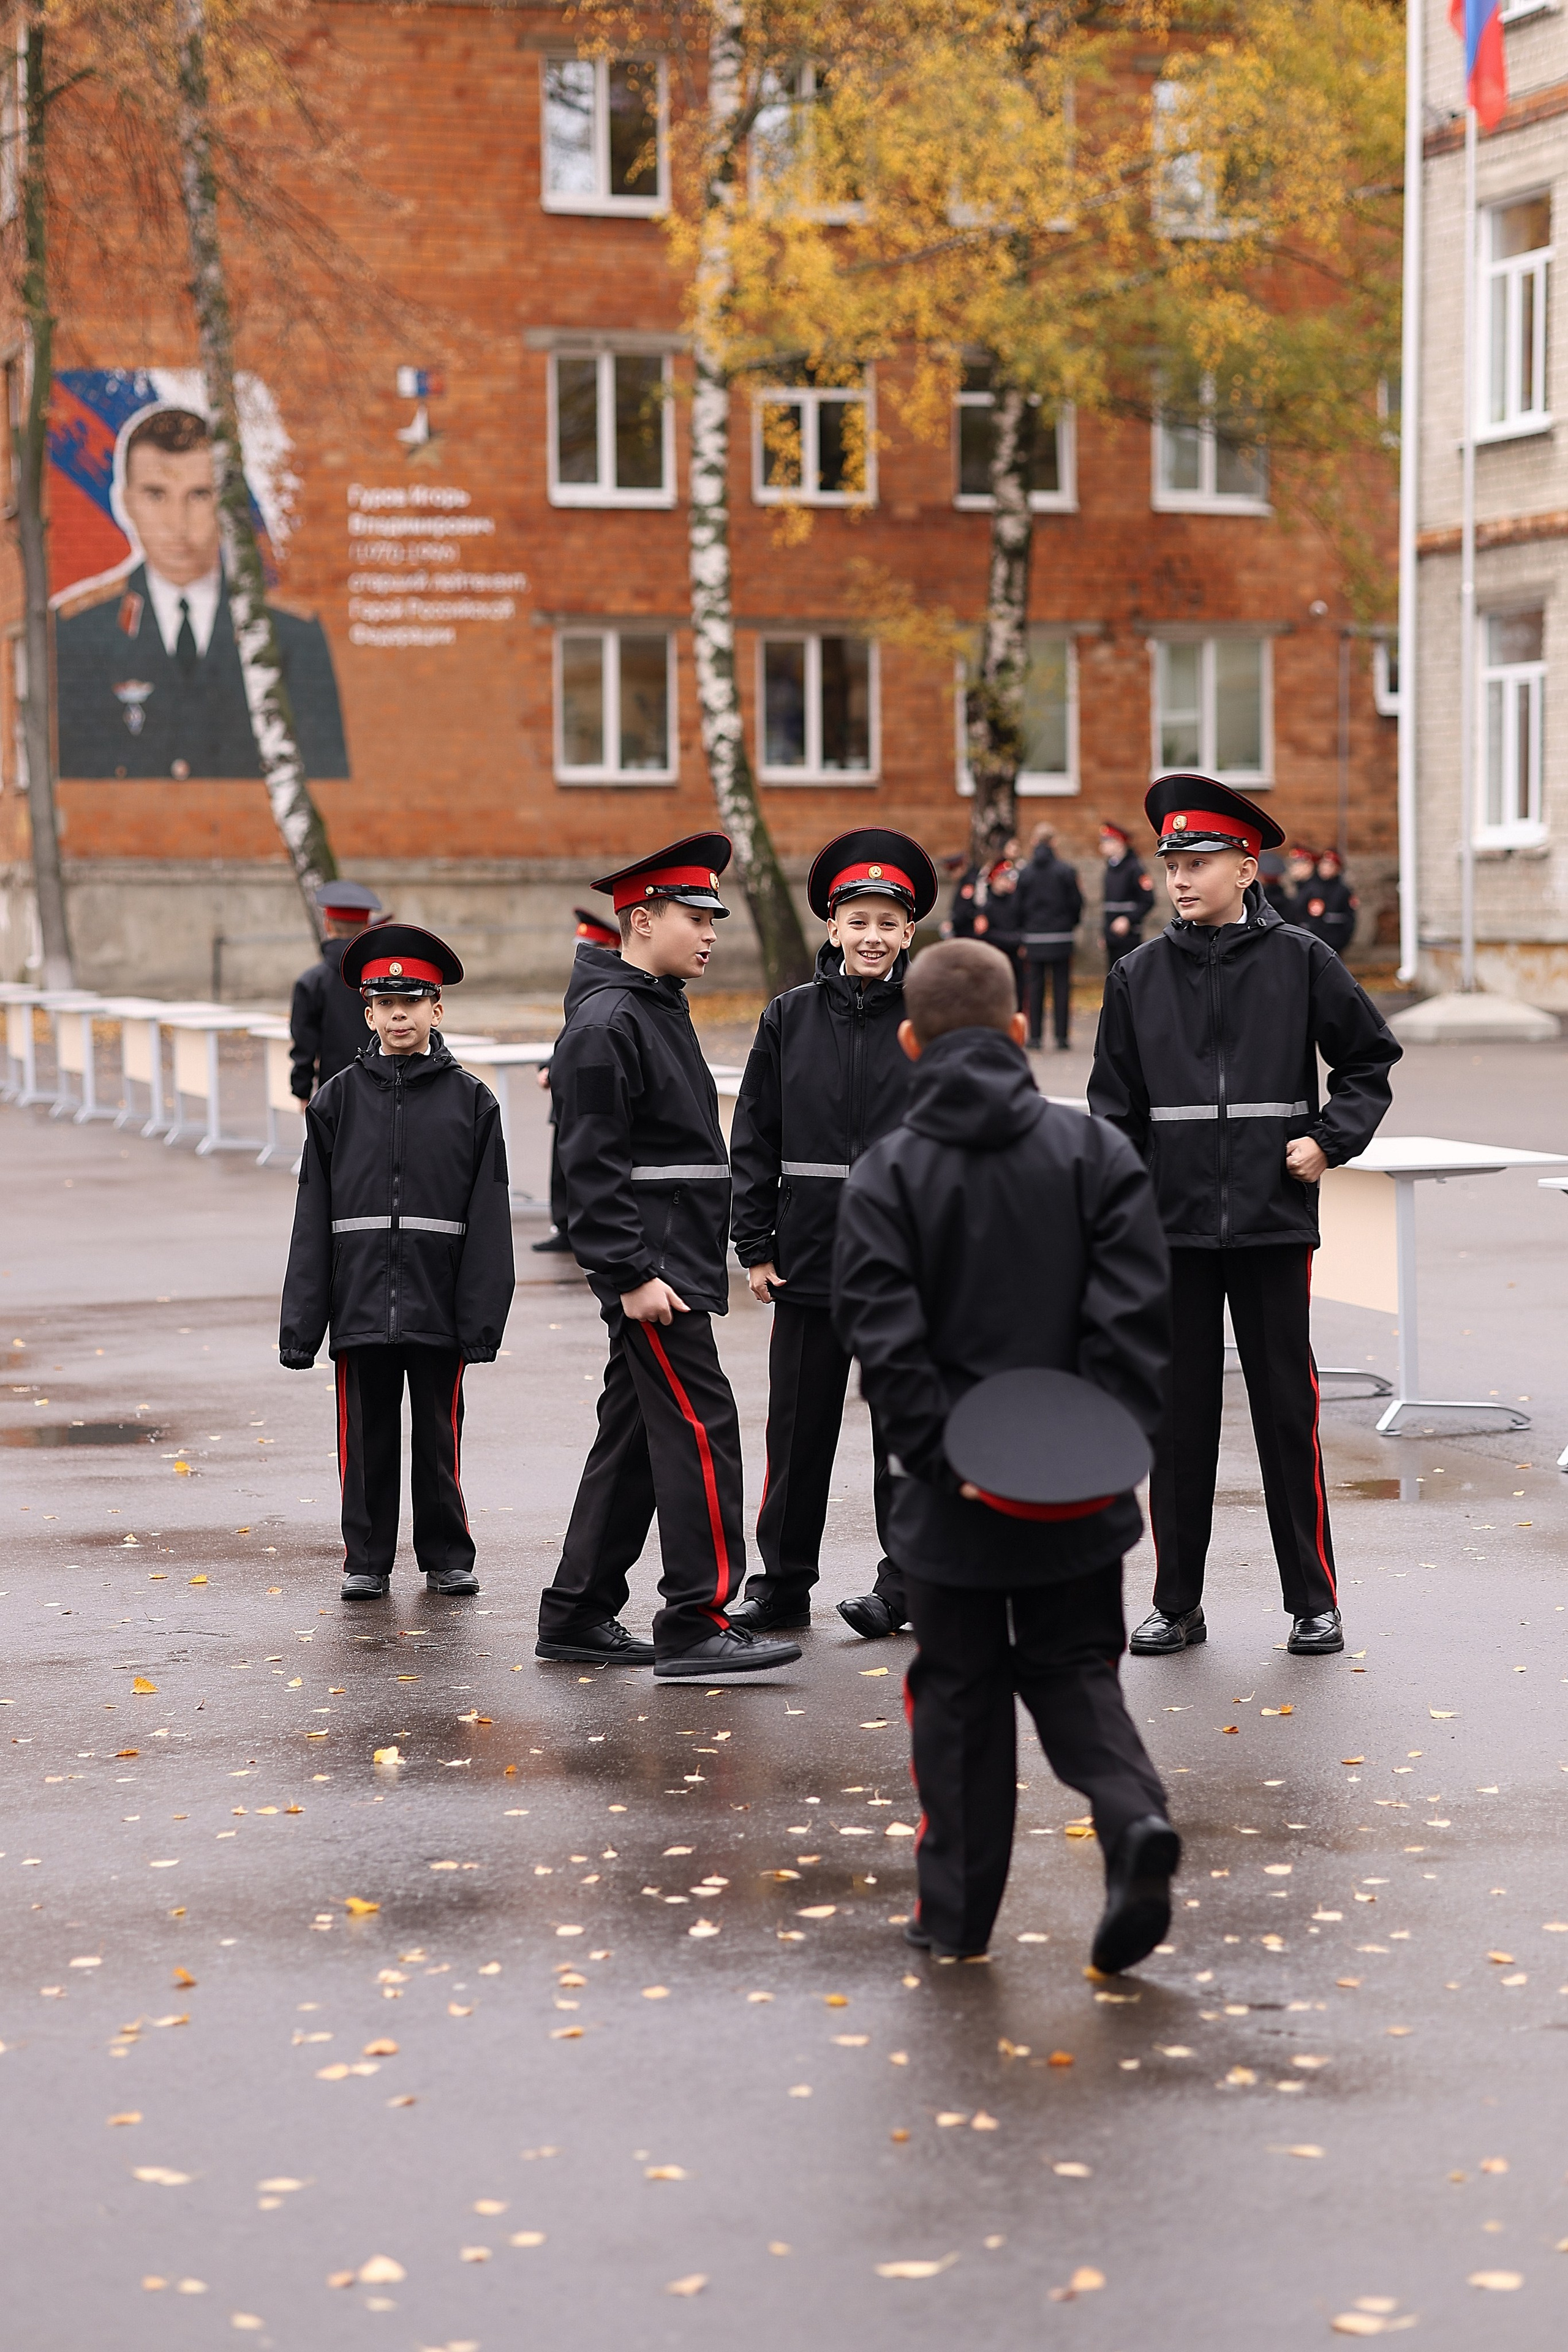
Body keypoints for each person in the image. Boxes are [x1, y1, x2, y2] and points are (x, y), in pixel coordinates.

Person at [832, 938, 1177, 1968]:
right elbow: (1135, 1329)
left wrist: (956, 1464)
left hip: (951, 1506)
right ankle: (1130, 1817)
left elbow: (883, 1346)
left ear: (908, 1041)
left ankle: (956, 1919)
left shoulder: (886, 1173)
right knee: (1078, 1671)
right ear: (1022, 1031)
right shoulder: (1096, 1155)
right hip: (1078, 1487)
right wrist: (1088, 1453)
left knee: (959, 1699)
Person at [1088, 776, 1401, 1660]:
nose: (1179, 880)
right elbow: (1111, 1111)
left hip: (1271, 1226)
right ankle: (1176, 1603)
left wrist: (1329, 1142)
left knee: (1283, 1414)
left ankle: (1314, 1602)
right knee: (1176, 1424)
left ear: (1245, 865)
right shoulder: (1136, 975)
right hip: (1171, 1236)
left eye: (1196, 864)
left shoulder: (1301, 960)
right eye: (1172, 865)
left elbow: (1369, 1060)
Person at [535, 834, 801, 1681]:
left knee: (635, 1439)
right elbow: (591, 1166)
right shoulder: (611, 1021)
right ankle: (697, 1617)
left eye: (711, 917)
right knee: (698, 1428)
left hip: (671, 1259)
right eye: (695, 917)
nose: (711, 932)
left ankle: (577, 1612)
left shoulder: (651, 1004)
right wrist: (630, 1275)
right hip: (656, 1270)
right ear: (641, 920)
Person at [728, 827, 938, 1643]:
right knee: (797, 1433)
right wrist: (755, 1244)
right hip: (809, 1260)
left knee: (908, 1437)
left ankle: (905, 1589)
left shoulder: (932, 1018)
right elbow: (754, 1136)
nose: (873, 937)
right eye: (859, 921)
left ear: (909, 931)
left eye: (889, 922)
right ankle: (781, 1586)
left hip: (904, 1268)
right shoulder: (789, 1018)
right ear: (832, 927)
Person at [278, 924, 516, 1600]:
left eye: (412, 1001)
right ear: (368, 1014)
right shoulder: (336, 1101)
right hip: (358, 1299)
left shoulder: (472, 1102)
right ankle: (367, 1559)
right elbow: (310, 1220)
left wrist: (481, 1318)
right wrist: (301, 1326)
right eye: (386, 1004)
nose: (399, 1015)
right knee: (365, 1439)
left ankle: (445, 1553)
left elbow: (490, 1218)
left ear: (437, 1010)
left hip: (438, 1300)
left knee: (438, 1437)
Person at [54, 406, 349, 782]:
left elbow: (326, 779)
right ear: (128, 503)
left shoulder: (293, 635)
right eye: (157, 495)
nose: (178, 524)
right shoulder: (78, 634)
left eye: (198, 495)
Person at [532, 908, 623, 1257]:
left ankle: (580, 1230)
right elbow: (570, 1036)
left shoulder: (605, 984)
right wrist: (550, 1066)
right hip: (568, 1090)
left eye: (591, 947)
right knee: (561, 1167)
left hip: (587, 1092)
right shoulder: (588, 982)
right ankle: (565, 1227)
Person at [289, 881, 385, 1102]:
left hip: (333, 1091)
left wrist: (302, 1091)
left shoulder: (311, 982)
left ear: (328, 925)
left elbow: (304, 1044)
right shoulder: (384, 978)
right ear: (366, 926)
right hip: (384, 1087)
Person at [1013, 821, 1083, 1048]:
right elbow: (1076, 903)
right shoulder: (1066, 871)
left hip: (1034, 938)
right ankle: (1062, 1038)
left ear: (1034, 842)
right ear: (1054, 842)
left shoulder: (1025, 874)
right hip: (1062, 936)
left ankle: (1035, 1037)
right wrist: (1071, 924)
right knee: (1062, 987)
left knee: (1034, 988)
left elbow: (1018, 906)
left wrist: (1025, 930)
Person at [1099, 821, 1153, 972]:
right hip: (1112, 937)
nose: (1102, 845)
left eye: (1107, 841)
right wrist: (1105, 933)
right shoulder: (1110, 868)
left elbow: (1148, 900)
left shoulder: (1135, 868)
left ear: (1119, 842)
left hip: (1129, 937)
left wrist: (1128, 920)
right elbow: (1108, 906)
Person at [1299, 850, 1359, 960]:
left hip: (1335, 940)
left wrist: (1343, 940)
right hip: (1313, 940)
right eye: (1323, 864)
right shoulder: (1311, 888)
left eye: (1330, 865)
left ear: (1338, 868)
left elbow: (1350, 917)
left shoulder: (1343, 891)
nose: (1325, 868)